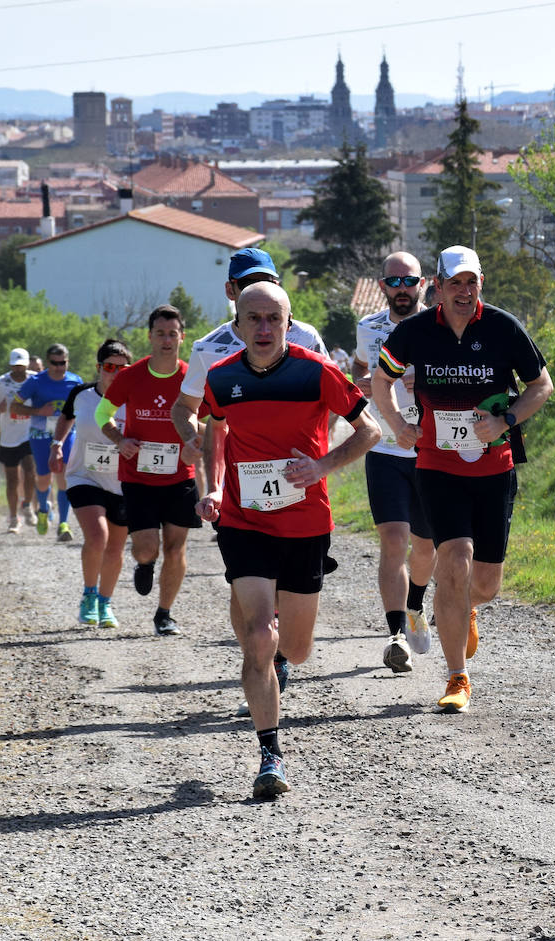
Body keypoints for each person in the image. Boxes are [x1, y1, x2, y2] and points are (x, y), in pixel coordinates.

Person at [197, 281, 379, 800]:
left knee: (295, 650)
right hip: (244, 520)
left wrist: (322, 465)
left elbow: (370, 432)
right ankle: (269, 754)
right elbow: (215, 432)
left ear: (288, 322)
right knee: (257, 633)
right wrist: (211, 486)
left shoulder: (317, 372)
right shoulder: (222, 377)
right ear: (237, 325)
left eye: (272, 318)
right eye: (252, 318)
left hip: (305, 524)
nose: (262, 328)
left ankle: (279, 659)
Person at [372, 245, 554, 714]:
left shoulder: (502, 327)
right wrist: (398, 425)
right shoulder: (414, 332)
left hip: (495, 468)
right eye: (454, 283)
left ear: (481, 285)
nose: (464, 292)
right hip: (437, 465)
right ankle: (457, 678)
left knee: (486, 583)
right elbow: (380, 380)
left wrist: (505, 421)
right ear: (437, 286)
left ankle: (463, 606)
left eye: (471, 283)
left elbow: (541, 386)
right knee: (454, 560)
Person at [173, 247, 328, 710]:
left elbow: (329, 398)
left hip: (297, 482)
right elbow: (187, 410)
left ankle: (278, 653)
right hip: (238, 485)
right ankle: (260, 661)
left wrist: (321, 461)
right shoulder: (208, 348)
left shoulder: (306, 336)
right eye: (246, 286)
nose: (261, 314)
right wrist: (197, 438)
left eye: (268, 283)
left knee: (292, 613)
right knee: (251, 586)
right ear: (231, 292)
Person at [352, 251, 436, 673]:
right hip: (385, 449)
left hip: (429, 448)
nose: (402, 290)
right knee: (393, 540)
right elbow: (359, 369)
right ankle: (396, 635)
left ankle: (416, 603)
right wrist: (360, 383)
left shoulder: (439, 326)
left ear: (423, 285)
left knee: (425, 547)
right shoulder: (368, 328)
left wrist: (410, 379)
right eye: (394, 282)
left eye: (410, 282)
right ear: (382, 286)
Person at [96, 305, 201, 636]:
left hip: (180, 476)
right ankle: (144, 563)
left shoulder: (193, 379)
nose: (166, 340)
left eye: (172, 334)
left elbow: (213, 419)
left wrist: (197, 443)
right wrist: (120, 440)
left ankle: (164, 613)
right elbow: (102, 415)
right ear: (150, 337)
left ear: (182, 337)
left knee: (176, 546)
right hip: (138, 477)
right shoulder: (130, 376)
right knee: (147, 547)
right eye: (160, 334)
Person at [50, 339, 133, 629]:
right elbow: (66, 417)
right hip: (83, 476)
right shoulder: (82, 394)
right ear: (99, 368)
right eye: (110, 367)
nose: (116, 373)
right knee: (98, 537)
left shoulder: (134, 398)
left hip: (122, 483)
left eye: (124, 368)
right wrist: (57, 444)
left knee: (115, 549)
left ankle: (105, 603)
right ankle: (88, 595)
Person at [12, 344, 83, 541]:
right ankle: (43, 509)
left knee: (65, 478)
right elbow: (14, 406)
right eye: (55, 363)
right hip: (41, 435)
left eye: (63, 363)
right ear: (48, 362)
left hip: (67, 435)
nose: (59, 367)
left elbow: (82, 409)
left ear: (68, 361)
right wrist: (38, 411)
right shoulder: (35, 381)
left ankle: (64, 523)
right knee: (43, 478)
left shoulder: (75, 381)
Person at [0, 347, 38, 533]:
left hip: (30, 433)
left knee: (30, 470)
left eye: (22, 365)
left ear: (27, 364)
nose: (19, 369)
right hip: (8, 437)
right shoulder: (0, 383)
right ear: (10, 365)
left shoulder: (36, 379)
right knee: (12, 480)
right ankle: (14, 518)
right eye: (15, 366)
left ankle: (27, 504)